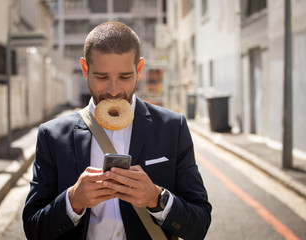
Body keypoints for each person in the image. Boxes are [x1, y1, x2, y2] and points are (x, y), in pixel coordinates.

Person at [23, 21, 211, 240]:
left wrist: (156, 198)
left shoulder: (172, 127)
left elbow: (200, 224)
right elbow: (33, 229)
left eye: (124, 77)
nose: (113, 91)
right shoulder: (52, 135)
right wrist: (73, 200)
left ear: (139, 69)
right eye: (102, 77)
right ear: (85, 69)